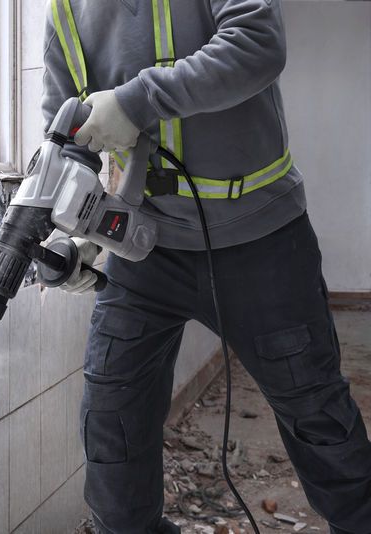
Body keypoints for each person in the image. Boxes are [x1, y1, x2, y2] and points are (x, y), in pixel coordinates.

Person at [41, 1, 371, 532]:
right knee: (112, 426)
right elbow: (65, 134)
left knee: (318, 420)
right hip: (142, 250)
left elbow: (257, 43)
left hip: (262, 240)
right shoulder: (64, 11)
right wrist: (73, 229)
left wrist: (133, 103)